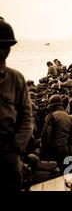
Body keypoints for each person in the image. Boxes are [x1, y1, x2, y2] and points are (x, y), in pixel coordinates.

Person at [0, 18, 33, 191]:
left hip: (8, 153)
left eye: (5, 47)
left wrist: (14, 150)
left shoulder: (16, 79)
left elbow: (26, 119)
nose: (2, 51)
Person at [41, 95, 72, 168]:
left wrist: (45, 149)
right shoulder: (68, 116)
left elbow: (45, 135)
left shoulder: (51, 116)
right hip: (65, 149)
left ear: (53, 106)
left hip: (53, 150)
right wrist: (66, 143)